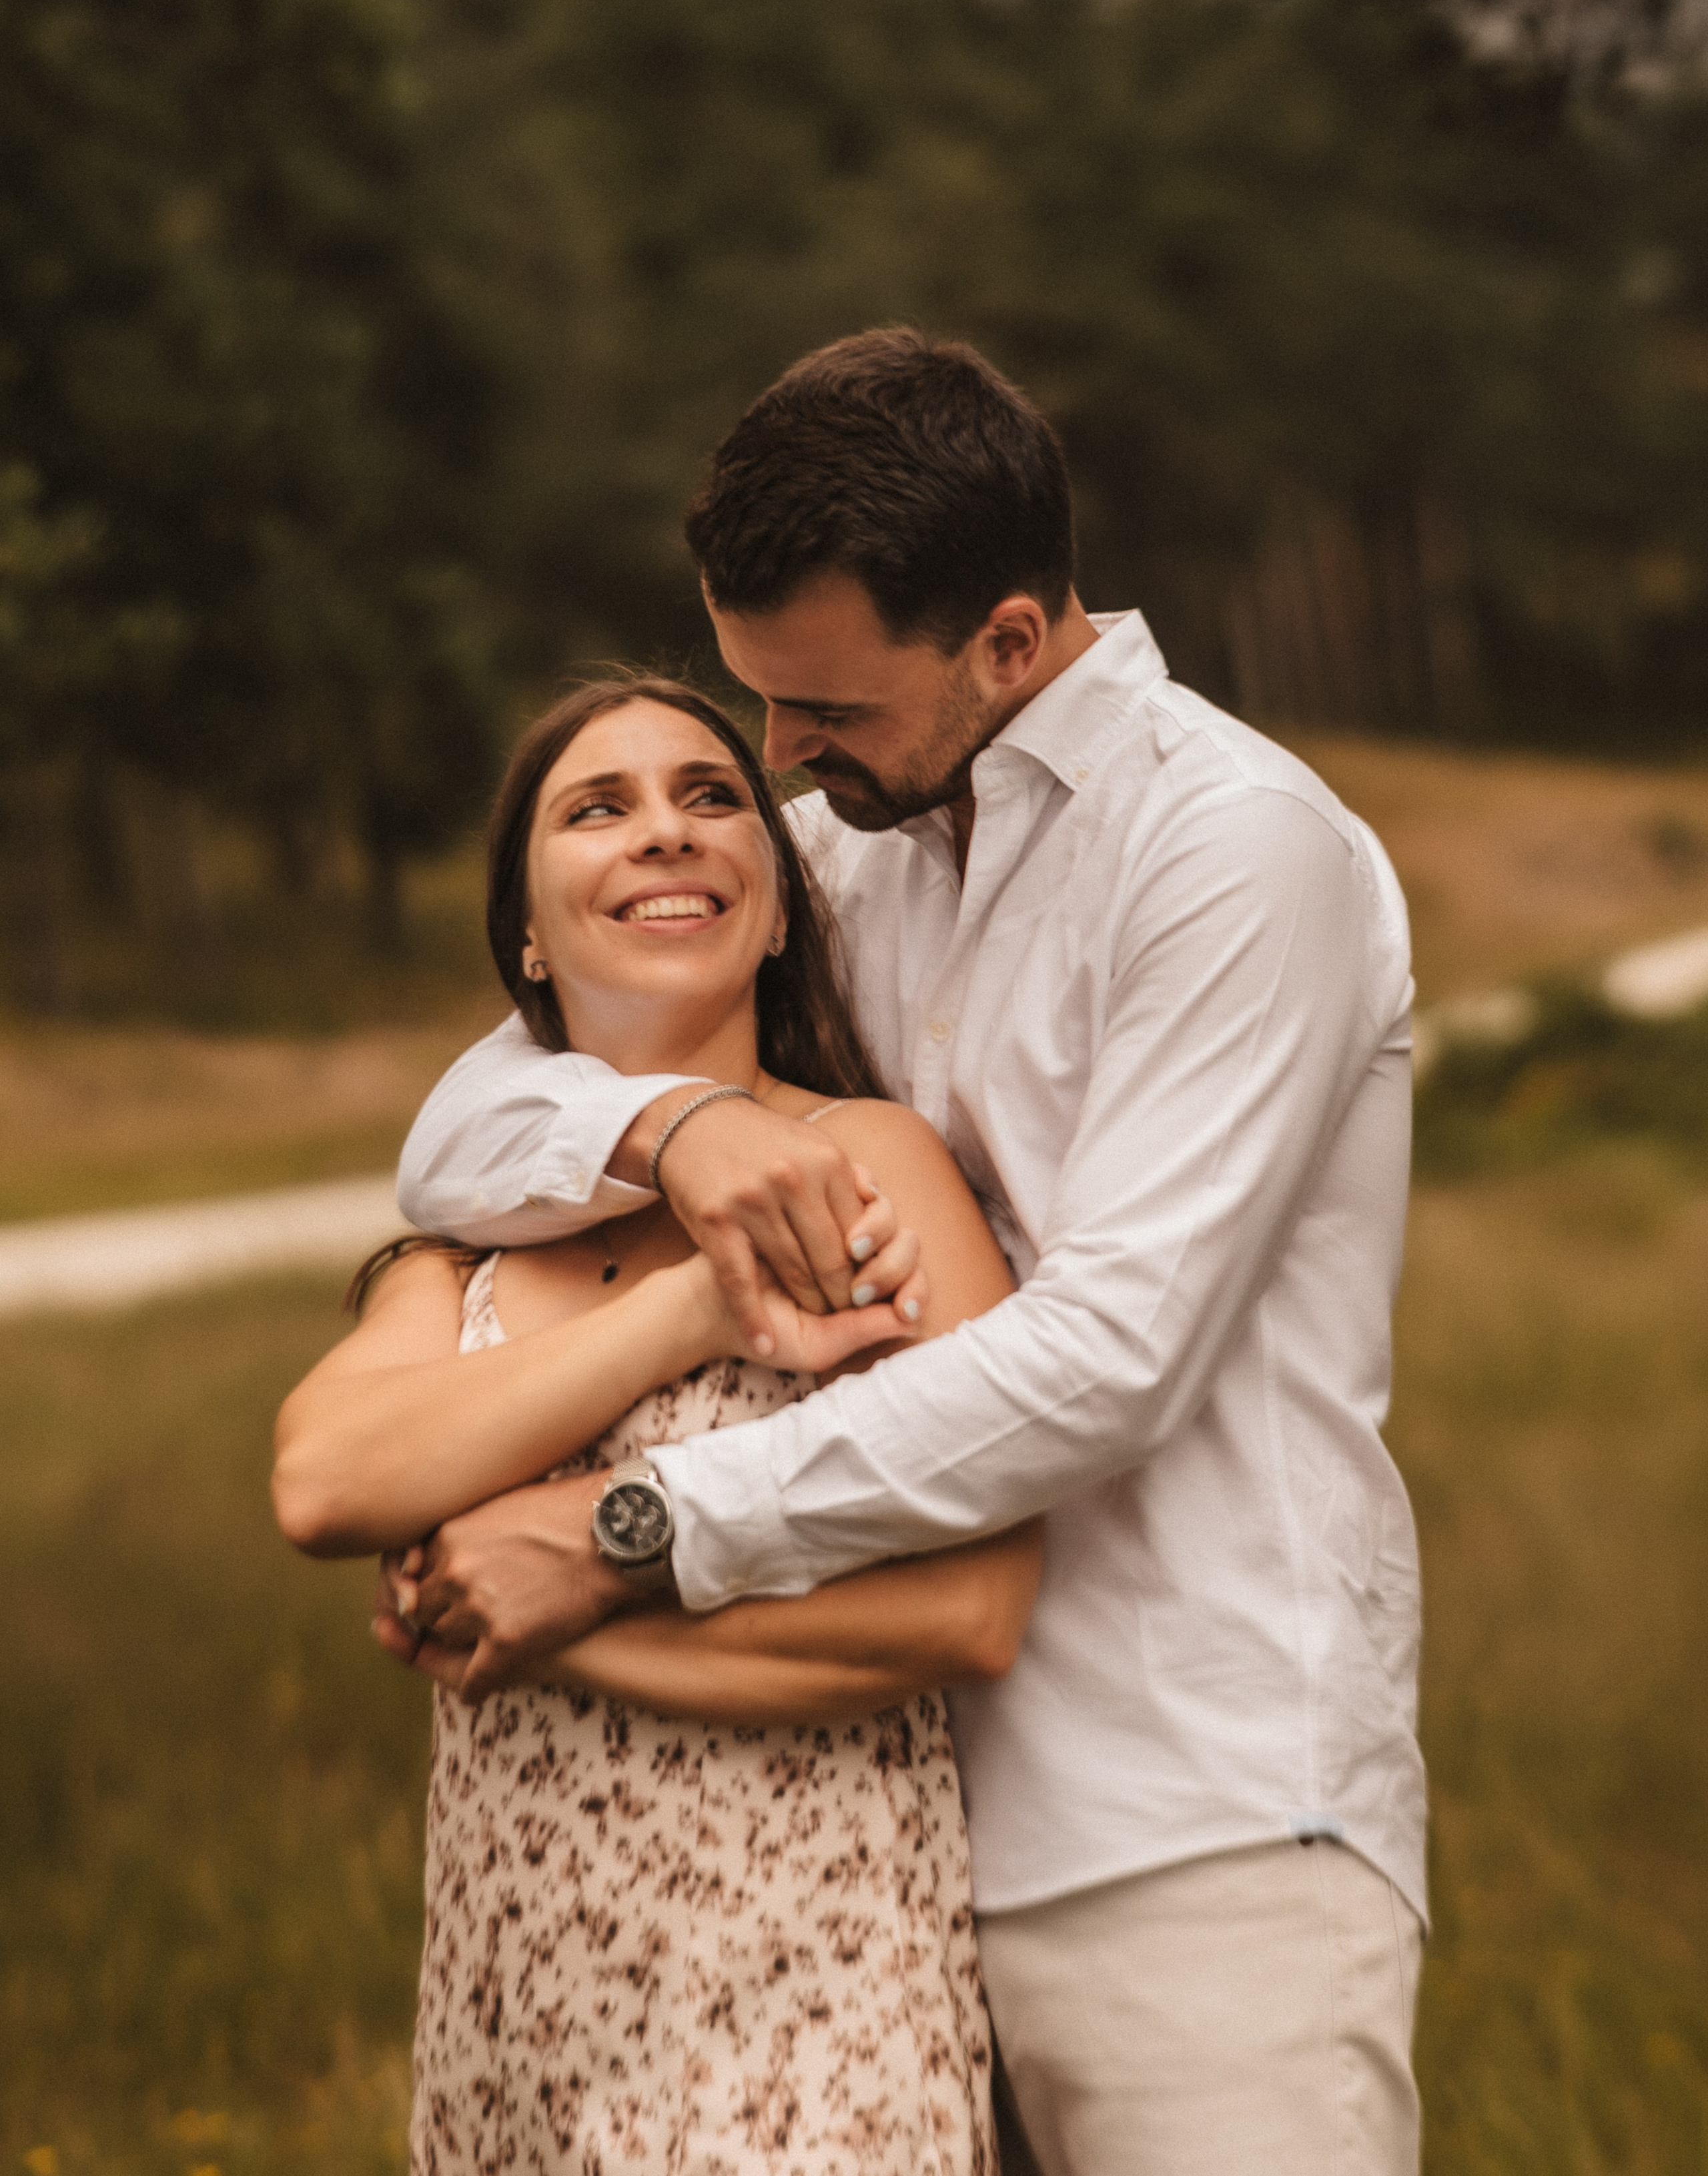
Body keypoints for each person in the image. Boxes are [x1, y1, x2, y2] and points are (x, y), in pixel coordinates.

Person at [390, 327, 1428, 2176]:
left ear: (1009, 644)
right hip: (887, 1851)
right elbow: (467, 1119)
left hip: (1194, 1825)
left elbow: (1114, 1357)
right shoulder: (854, 845)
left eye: (825, 712)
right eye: (759, 703)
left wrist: (637, 1531)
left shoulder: (1235, 850)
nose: (777, 757)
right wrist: (675, 1126)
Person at [273, 675, 1043, 2175]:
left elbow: (966, 1606)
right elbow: (323, 1482)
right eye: (596, 807)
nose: (662, 833)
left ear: (771, 915)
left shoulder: (870, 1164)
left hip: (813, 2013)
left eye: (708, 798)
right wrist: (696, 1310)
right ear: (526, 934)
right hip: (519, 2035)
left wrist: (558, 1608)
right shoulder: (461, 1268)